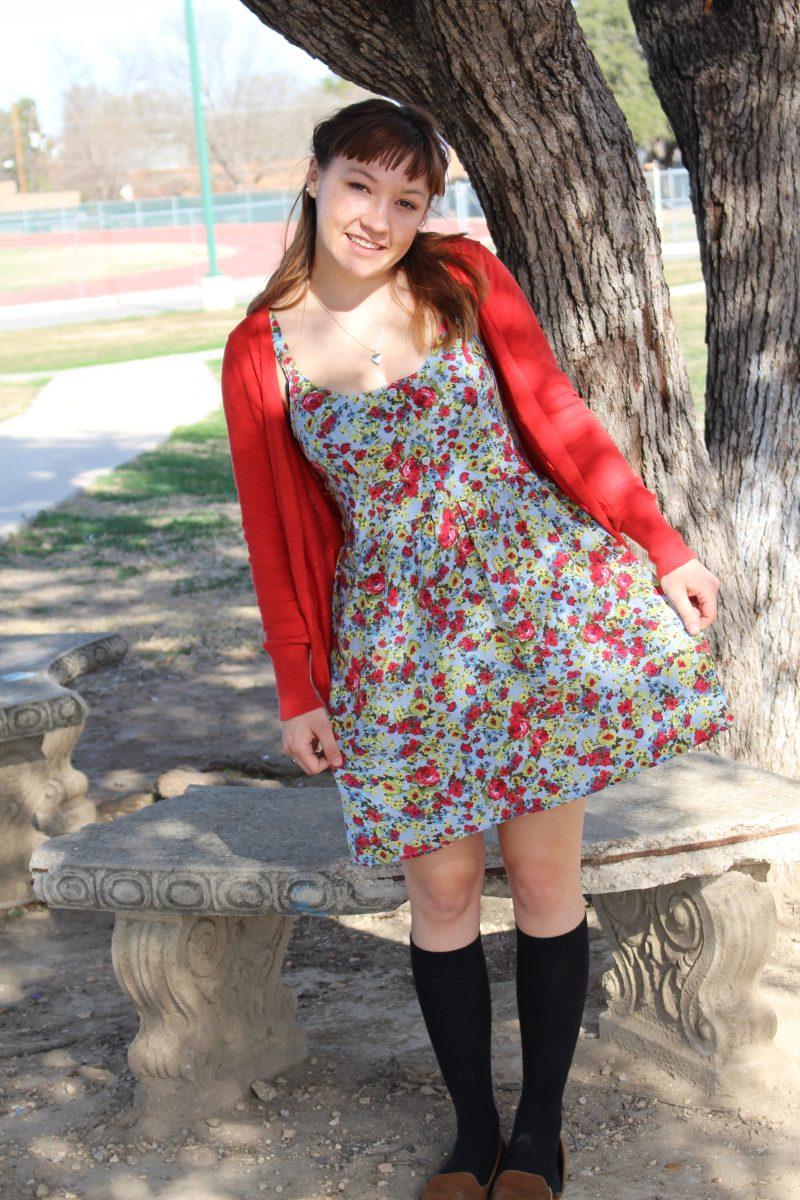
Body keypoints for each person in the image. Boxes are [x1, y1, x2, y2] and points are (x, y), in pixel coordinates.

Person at [221, 97, 734, 1200]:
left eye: (408, 197)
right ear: (314, 178)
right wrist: (299, 688)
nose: (380, 215)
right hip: (394, 648)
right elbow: (275, 533)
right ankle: (470, 1133)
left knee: (545, 879)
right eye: (361, 185)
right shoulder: (257, 349)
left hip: (530, 615)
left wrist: (659, 544)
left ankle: (539, 1133)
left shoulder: (460, 277)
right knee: (443, 892)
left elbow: (561, 419)